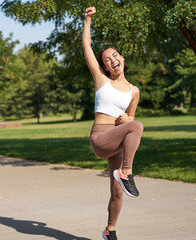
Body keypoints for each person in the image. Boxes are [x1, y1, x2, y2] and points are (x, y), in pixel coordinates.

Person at [83, 6, 144, 240]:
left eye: (114, 56)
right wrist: (88, 20)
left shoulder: (134, 91)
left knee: (117, 192)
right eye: (107, 60)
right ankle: (126, 172)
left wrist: (127, 120)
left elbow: (131, 119)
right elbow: (87, 46)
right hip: (100, 138)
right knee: (137, 128)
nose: (112, 60)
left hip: (118, 140)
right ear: (105, 67)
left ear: (122, 58)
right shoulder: (101, 80)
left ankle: (110, 231)